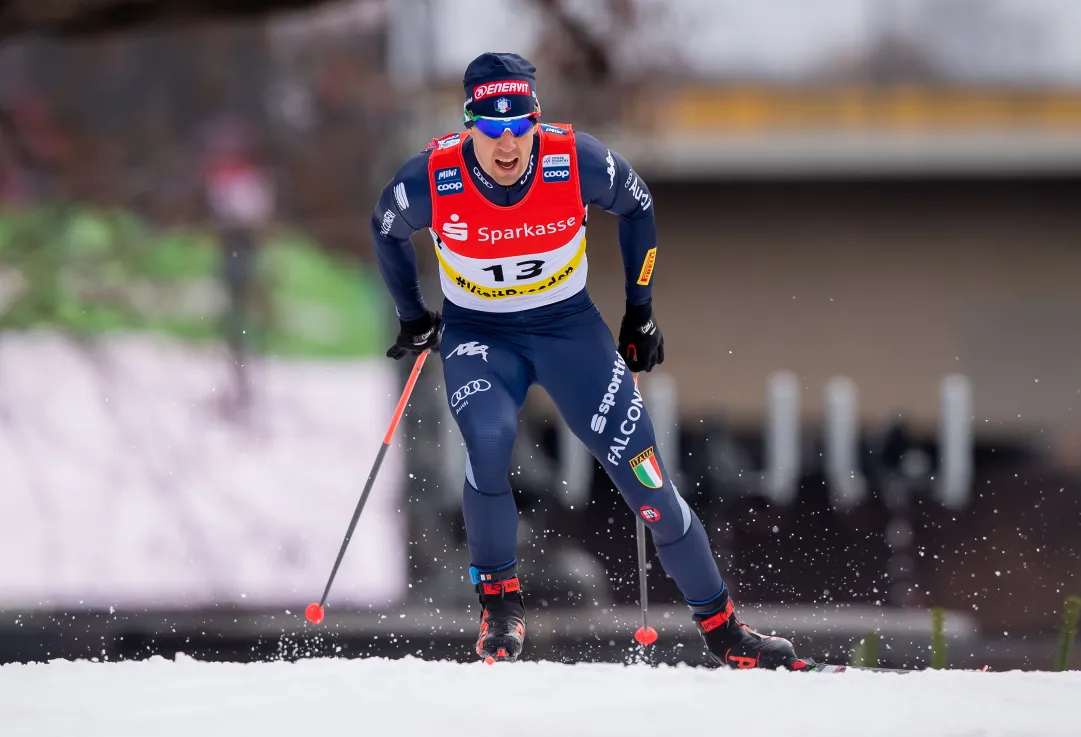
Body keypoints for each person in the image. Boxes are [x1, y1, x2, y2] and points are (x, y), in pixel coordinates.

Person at [369, 52, 814, 670]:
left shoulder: (575, 159)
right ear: (468, 124)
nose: (506, 144)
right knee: (490, 441)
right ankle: (499, 606)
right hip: (481, 336)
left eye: (519, 126)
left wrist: (640, 313)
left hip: (567, 331)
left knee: (649, 485)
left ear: (536, 121)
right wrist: (415, 317)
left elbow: (638, 207)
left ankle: (726, 634)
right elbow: (385, 228)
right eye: (491, 129)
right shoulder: (433, 177)